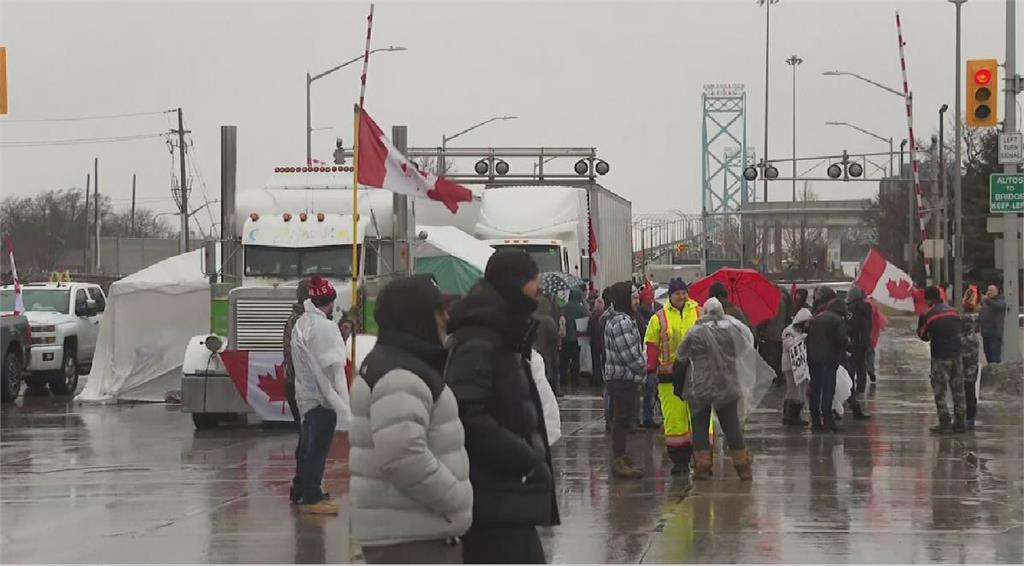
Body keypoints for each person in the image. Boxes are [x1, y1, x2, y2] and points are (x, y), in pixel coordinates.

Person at [445, 251, 559, 564]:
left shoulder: (502, 334)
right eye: (533, 279)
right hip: (492, 499)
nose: (538, 289)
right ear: (515, 283)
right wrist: (525, 457)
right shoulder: (480, 339)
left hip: (505, 498)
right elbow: (468, 416)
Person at [350, 275, 472, 564]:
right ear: (416, 317)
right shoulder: (400, 375)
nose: (446, 317)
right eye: (438, 310)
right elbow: (403, 456)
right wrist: (455, 498)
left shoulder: (402, 365)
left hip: (412, 532)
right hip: (412, 542)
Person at [674, 298, 770, 481]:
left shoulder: (694, 332)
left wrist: (678, 388)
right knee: (732, 427)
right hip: (727, 386)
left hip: (700, 387)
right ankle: (743, 467)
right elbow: (745, 351)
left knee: (700, 426)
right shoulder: (733, 330)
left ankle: (702, 467)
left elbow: (680, 361)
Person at [291, 275, 352, 514]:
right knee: (317, 447)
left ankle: (302, 488)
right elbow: (335, 369)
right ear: (330, 302)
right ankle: (313, 496)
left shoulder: (302, 323)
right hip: (321, 397)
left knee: (306, 445)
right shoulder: (325, 327)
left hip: (304, 394)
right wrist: (343, 403)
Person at [643, 277, 702, 475]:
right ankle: (680, 461)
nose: (681, 296)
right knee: (675, 421)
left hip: (697, 376)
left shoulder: (699, 312)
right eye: (677, 293)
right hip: (669, 377)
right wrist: (651, 369)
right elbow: (651, 343)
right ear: (670, 296)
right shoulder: (658, 318)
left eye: (684, 293)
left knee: (701, 419)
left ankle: (702, 459)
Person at [602, 281, 647, 479]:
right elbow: (629, 353)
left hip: (621, 377)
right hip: (622, 378)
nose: (637, 301)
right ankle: (619, 459)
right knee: (621, 420)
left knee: (624, 418)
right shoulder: (621, 322)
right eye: (633, 297)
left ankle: (622, 456)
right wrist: (643, 367)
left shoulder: (622, 318)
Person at [918, 286, 966, 434]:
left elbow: (922, 336)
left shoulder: (928, 315)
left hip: (940, 357)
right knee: (958, 390)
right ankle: (960, 423)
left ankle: (945, 423)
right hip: (956, 355)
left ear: (927, 299)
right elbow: (961, 329)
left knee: (940, 391)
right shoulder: (954, 311)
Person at [283, 278, 311, 504]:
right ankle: (301, 483)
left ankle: (302, 482)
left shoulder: (300, 319)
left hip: (298, 385)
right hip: (300, 386)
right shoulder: (300, 321)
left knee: (306, 436)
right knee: (307, 437)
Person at [805, 287, 848, 433]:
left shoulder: (818, 317)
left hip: (813, 359)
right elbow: (841, 340)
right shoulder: (837, 320)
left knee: (815, 391)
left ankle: (816, 422)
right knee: (828, 391)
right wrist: (849, 345)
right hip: (829, 361)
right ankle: (829, 422)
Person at [843, 287, 872, 420]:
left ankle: (851, 389)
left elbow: (851, 325)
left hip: (854, 342)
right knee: (861, 364)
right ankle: (861, 386)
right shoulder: (867, 307)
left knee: (852, 366)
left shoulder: (851, 309)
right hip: (864, 341)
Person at [781, 308, 813, 427]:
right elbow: (788, 345)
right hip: (790, 366)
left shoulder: (800, 331)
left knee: (799, 391)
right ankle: (789, 416)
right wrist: (800, 338)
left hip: (799, 366)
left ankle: (794, 415)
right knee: (792, 390)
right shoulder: (788, 331)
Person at [758, 289, 789, 388]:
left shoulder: (774, 301)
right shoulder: (784, 300)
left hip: (773, 334)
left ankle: (776, 378)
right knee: (778, 357)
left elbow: (768, 317)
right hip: (780, 333)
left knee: (773, 357)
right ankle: (779, 377)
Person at [961, 285, 982, 431]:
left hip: (961, 357)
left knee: (961, 389)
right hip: (972, 359)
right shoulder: (977, 319)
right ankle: (971, 418)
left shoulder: (959, 319)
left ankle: (963, 416)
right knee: (970, 388)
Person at [534, 294, 562, 397]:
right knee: (550, 370)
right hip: (548, 349)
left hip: (535, 349)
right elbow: (554, 336)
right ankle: (554, 390)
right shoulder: (548, 320)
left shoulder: (532, 317)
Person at [979, 284, 1007, 364]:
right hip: (985, 333)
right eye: (988, 290)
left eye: (991, 290)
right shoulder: (985, 302)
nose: (989, 292)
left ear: (997, 292)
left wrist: (986, 300)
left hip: (994, 334)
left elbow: (999, 306)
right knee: (988, 356)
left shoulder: (1000, 301)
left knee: (995, 357)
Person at [865, 297, 887, 384]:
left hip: (862, 333)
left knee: (861, 354)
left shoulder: (861, 304)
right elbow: (880, 321)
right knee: (870, 353)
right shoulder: (874, 306)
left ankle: (861, 373)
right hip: (872, 333)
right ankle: (871, 369)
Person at [587, 296, 606, 386]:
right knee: (604, 361)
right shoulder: (605, 316)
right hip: (603, 341)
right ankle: (605, 378)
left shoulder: (593, 316)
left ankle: (597, 379)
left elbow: (589, 329)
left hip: (594, 341)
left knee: (596, 361)